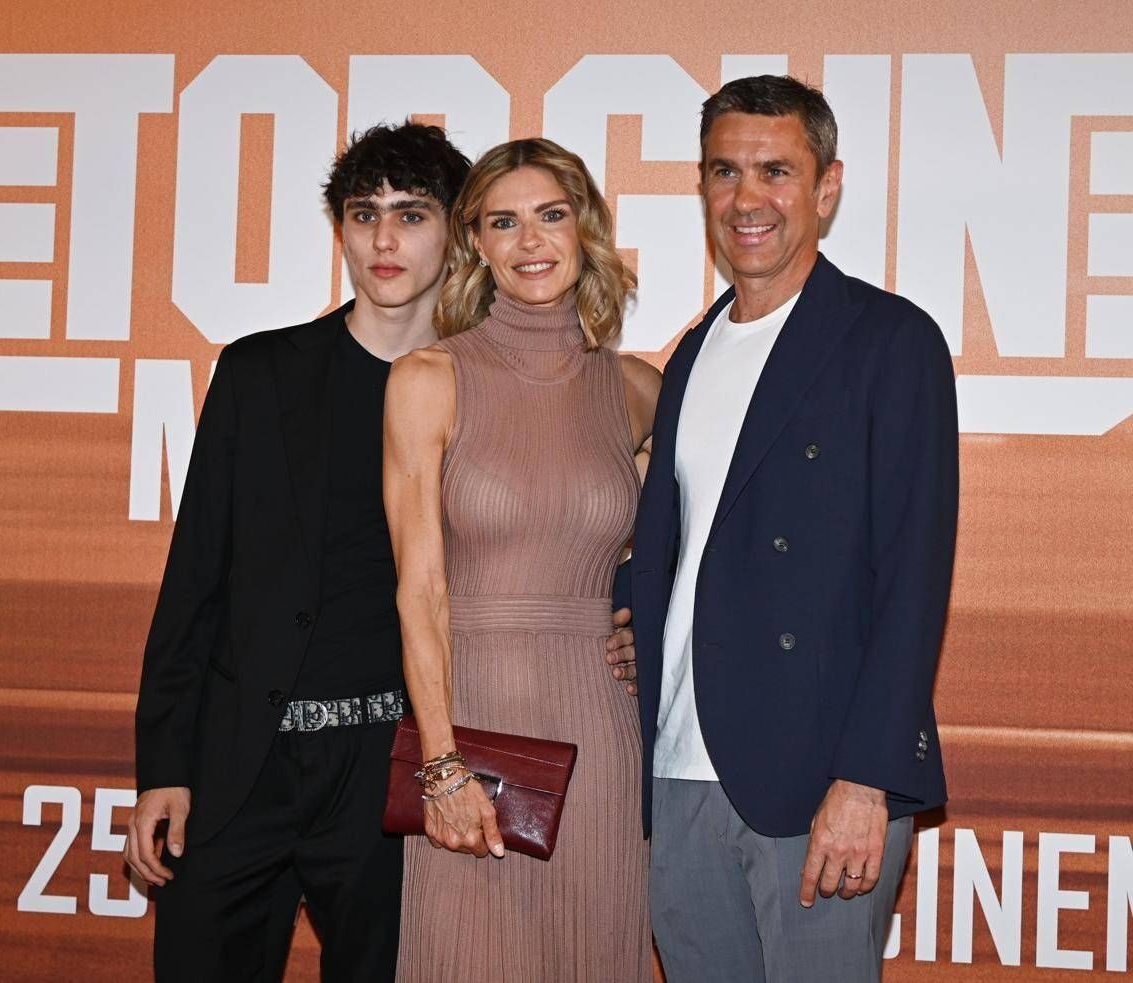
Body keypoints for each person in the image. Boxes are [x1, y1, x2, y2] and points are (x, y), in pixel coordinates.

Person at [124, 121, 640, 982]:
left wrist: (632, 622)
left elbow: (611, 517)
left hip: (384, 769)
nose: (385, 239)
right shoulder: (258, 373)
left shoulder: (496, 381)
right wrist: (165, 767)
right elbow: (195, 581)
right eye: (364, 215)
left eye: (411, 214)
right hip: (241, 764)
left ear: (454, 235)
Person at [630, 75, 959, 983]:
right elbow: (687, 543)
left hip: (820, 778)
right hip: (679, 765)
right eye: (724, 171)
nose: (747, 198)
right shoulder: (693, 351)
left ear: (827, 186)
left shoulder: (889, 340)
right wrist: (630, 614)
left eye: (775, 170)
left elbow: (913, 577)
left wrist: (866, 778)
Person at [384, 137, 661, 983]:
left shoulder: (636, 390)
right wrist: (441, 766)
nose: (530, 241)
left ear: (585, 229)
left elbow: (693, 553)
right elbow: (420, 591)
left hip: (600, 735)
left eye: (551, 215)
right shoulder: (428, 378)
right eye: (504, 222)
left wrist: (649, 632)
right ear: (476, 242)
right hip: (472, 732)